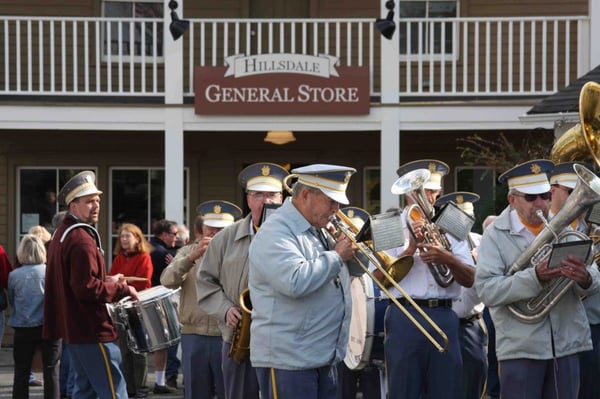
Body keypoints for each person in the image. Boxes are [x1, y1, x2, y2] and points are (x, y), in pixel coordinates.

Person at [475, 159, 600, 399]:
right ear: (512, 200)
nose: (540, 204)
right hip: (521, 349)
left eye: (544, 196)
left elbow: (593, 275)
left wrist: (584, 278)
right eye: (531, 198)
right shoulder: (494, 235)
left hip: (566, 344)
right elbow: (487, 290)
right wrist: (534, 277)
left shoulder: (564, 228)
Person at [248, 164, 364, 399]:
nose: (337, 209)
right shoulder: (276, 231)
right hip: (288, 361)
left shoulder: (317, 228)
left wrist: (356, 251)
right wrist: (336, 255)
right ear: (305, 195)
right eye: (331, 201)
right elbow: (295, 281)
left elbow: (351, 273)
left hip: (323, 355)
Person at [196, 162, 289, 399]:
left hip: (283, 338)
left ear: (282, 198)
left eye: (272, 194)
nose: (265, 201)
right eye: (258, 194)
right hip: (239, 336)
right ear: (248, 199)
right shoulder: (225, 238)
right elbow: (205, 279)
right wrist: (224, 309)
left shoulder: (296, 235)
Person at [43, 170, 139, 398]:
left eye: (97, 200)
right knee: (114, 392)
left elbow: (76, 281)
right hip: (91, 329)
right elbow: (86, 288)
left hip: (75, 329)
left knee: (84, 391)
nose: (96, 206)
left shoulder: (63, 233)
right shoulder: (81, 240)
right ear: (73, 206)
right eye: (89, 202)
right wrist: (123, 288)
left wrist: (107, 280)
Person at [386, 159, 475, 399]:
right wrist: (409, 250)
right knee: (403, 390)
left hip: (445, 315)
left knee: (447, 390)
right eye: (424, 192)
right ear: (407, 192)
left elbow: (469, 279)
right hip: (406, 316)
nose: (430, 198)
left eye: (434, 191)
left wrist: (449, 259)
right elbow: (380, 280)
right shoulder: (389, 224)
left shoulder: (453, 223)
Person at [162, 200, 242, 399]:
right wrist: (191, 258)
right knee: (195, 392)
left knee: (229, 392)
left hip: (227, 334)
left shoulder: (240, 252)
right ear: (201, 229)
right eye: (210, 229)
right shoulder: (189, 252)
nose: (214, 235)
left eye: (221, 230)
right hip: (193, 334)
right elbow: (167, 280)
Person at [435, 192, 488, 399]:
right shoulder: (436, 244)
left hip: (470, 324)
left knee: (473, 384)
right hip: (443, 322)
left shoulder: (482, 242)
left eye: (467, 216)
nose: (462, 223)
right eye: (457, 217)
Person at [337, 206, 384, 399]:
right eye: (346, 236)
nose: (353, 242)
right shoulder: (334, 263)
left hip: (372, 351)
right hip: (340, 350)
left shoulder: (374, 265)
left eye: (357, 236)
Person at [8, 234, 61, 399]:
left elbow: (12, 300)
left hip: (23, 326)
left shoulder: (14, 275)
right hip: (49, 326)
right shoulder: (51, 272)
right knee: (51, 370)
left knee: (21, 371)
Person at [109, 223, 153, 398]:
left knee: (139, 349)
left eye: (128, 236)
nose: (125, 240)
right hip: (120, 306)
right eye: (122, 237)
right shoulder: (119, 257)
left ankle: (141, 386)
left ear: (137, 238)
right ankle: (129, 387)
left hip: (136, 306)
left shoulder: (144, 257)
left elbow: (143, 282)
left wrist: (123, 285)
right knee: (124, 349)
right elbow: (111, 278)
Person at [149, 219, 180, 394]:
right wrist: (176, 262)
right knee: (167, 342)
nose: (177, 237)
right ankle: (166, 379)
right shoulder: (162, 253)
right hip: (160, 301)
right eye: (174, 234)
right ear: (164, 235)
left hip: (146, 299)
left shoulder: (150, 247)